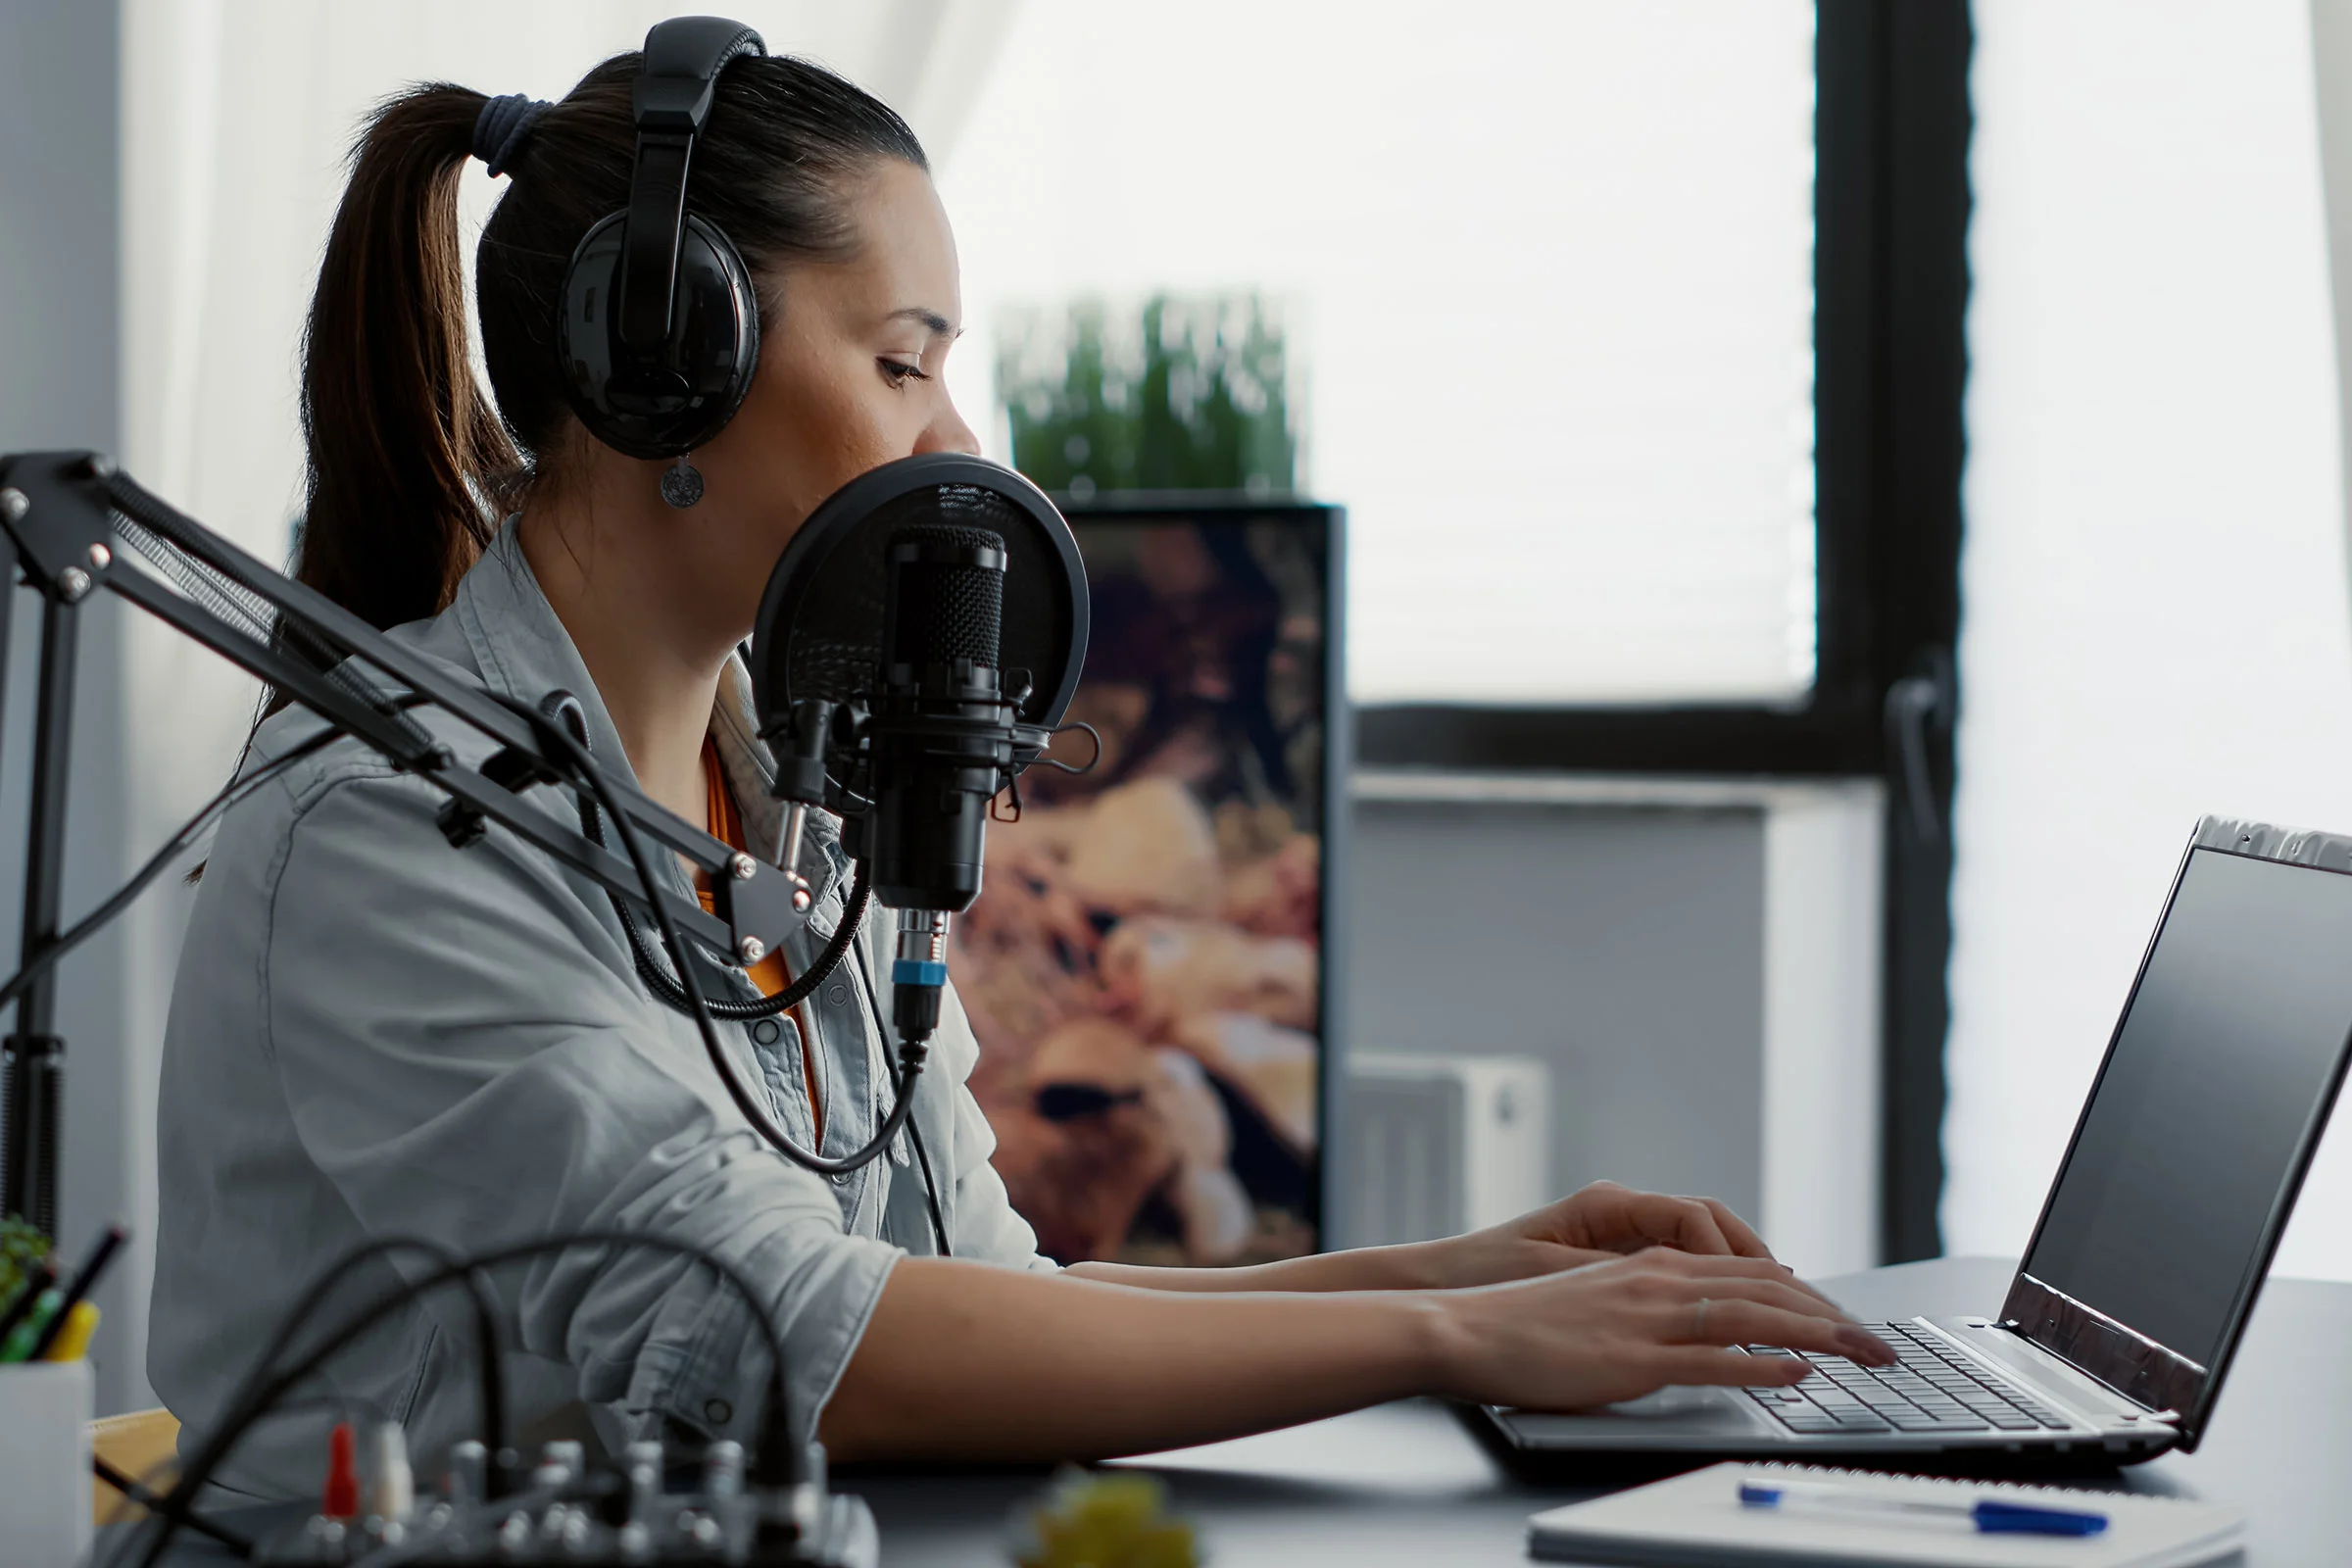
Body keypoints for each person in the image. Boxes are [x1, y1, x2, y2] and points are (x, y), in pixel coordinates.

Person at [148, 41, 1894, 1500]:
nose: (957, 443)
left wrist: (1469, 1271)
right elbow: (790, 1346)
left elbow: (963, 1292)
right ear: (662, 365)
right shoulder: (394, 828)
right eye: (902, 360)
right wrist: (1449, 1344)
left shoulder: (788, 800)